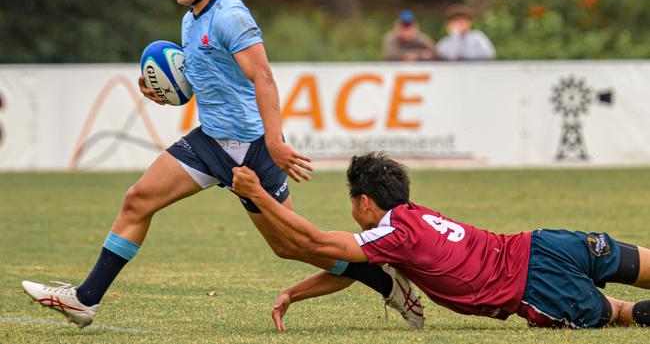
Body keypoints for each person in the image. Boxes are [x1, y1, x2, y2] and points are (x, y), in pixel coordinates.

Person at [21, 0, 423, 329]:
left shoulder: (231, 16)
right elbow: (212, 78)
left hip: (251, 150)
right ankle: (85, 301)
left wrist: (274, 141)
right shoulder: (190, 20)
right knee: (137, 200)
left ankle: (386, 283)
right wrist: (166, 92)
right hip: (210, 141)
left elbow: (262, 77)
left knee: (292, 246)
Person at [231, 152, 650, 331]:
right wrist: (294, 294)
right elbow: (354, 269)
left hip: (536, 288)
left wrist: (257, 192)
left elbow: (314, 240)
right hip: (545, 243)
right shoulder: (415, 216)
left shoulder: (392, 236)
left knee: (624, 314)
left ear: (363, 201)